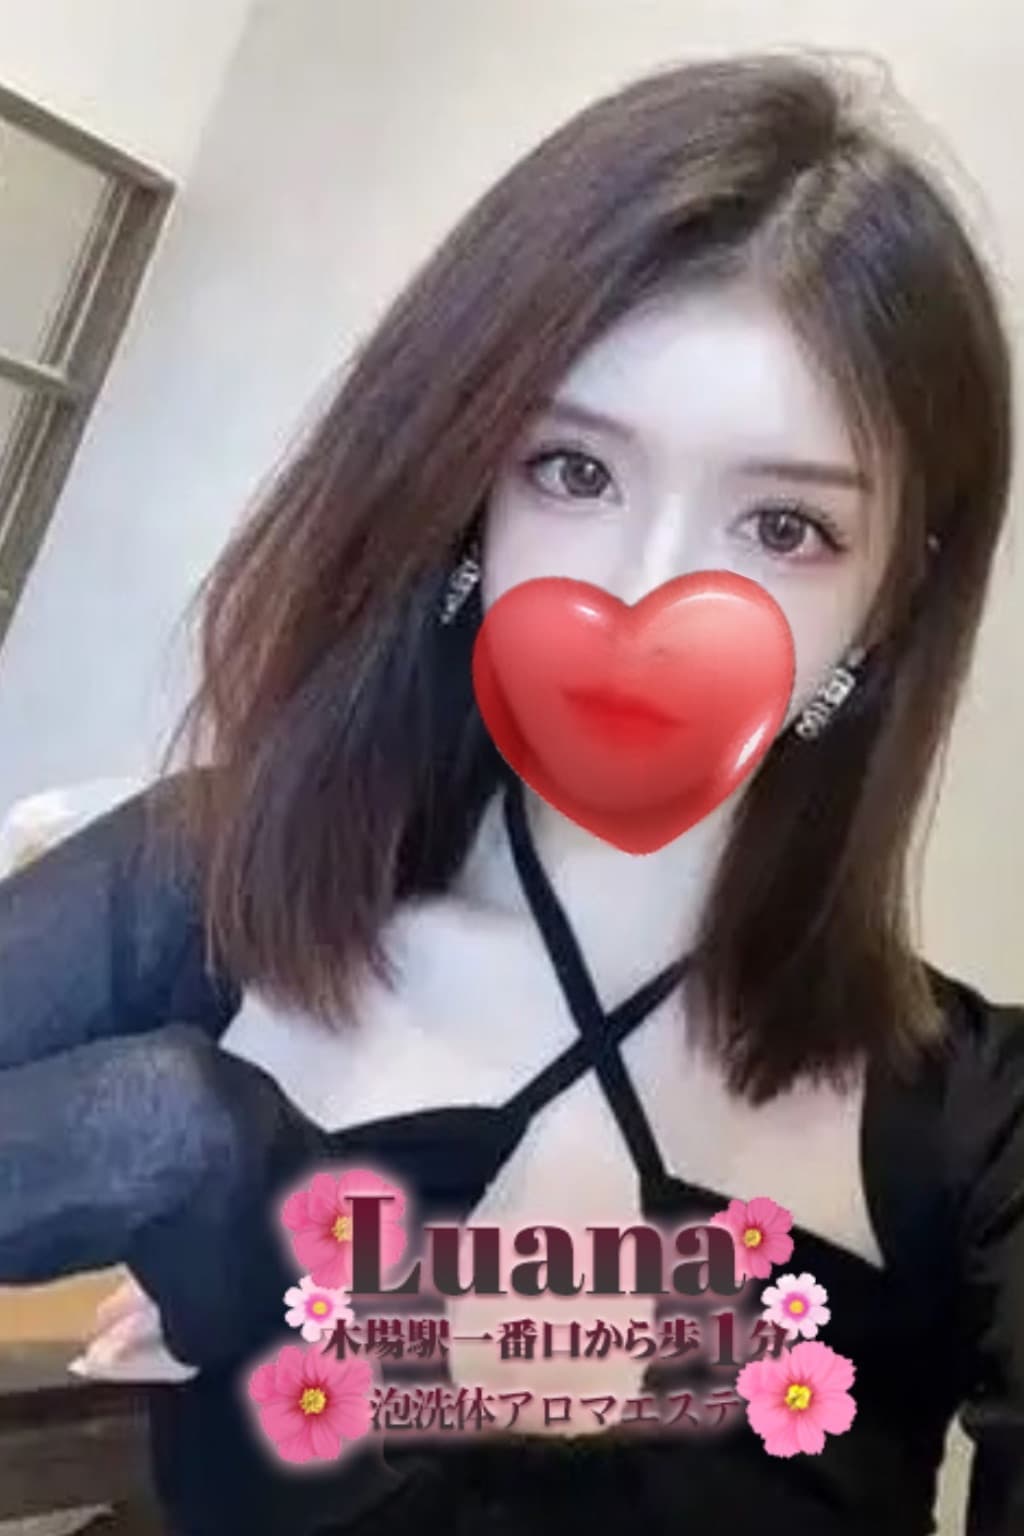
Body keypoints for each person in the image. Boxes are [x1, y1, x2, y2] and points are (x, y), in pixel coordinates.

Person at [0, 48, 1021, 1536]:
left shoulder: (980, 1127)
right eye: (575, 472)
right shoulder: (226, 883)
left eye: (784, 526)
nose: (645, 596)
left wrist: (372, 1319)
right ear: (468, 495)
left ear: (891, 602)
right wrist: (169, 1144)